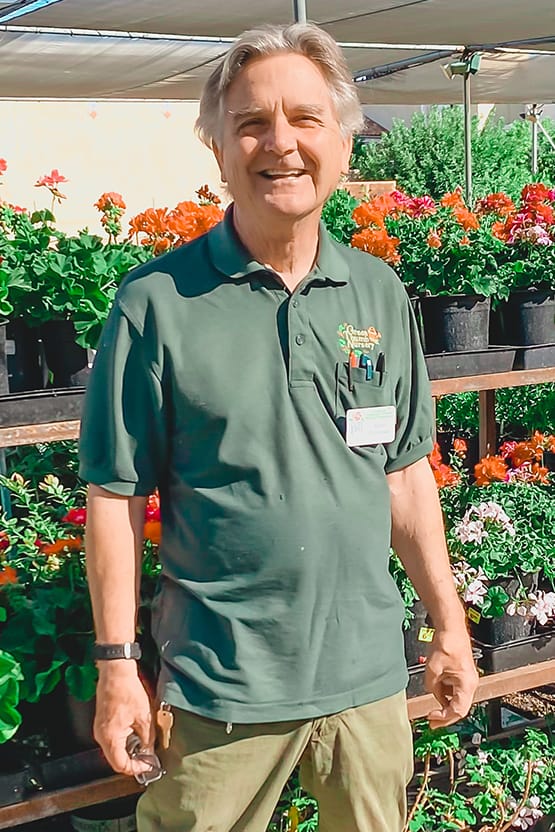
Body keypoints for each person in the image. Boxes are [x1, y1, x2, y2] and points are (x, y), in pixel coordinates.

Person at [79, 22, 479, 832]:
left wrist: (449, 625)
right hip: (222, 692)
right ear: (219, 149)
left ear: (343, 143)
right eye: (251, 123)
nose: (280, 144)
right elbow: (115, 495)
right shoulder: (157, 303)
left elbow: (403, 475)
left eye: (304, 119)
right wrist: (118, 666)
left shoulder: (375, 292)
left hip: (366, 683)